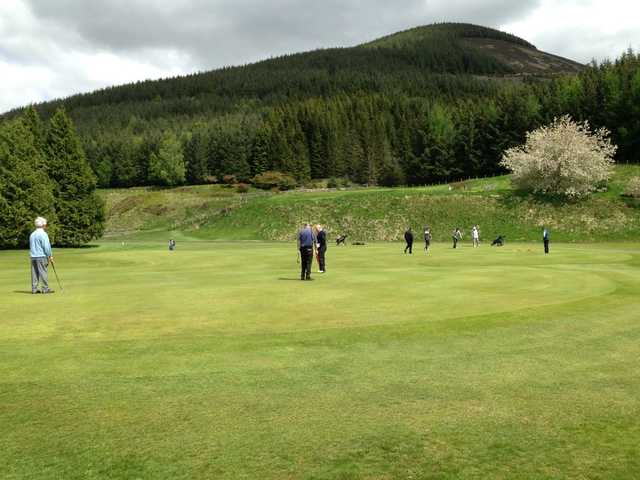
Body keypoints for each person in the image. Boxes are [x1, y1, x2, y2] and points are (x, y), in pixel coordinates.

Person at [29, 216, 54, 294]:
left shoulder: (32, 234)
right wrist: (50, 255)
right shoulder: (43, 234)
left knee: (34, 273)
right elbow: (46, 246)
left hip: (33, 257)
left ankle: (34, 289)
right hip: (41, 256)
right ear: (43, 225)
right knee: (43, 272)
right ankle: (45, 289)